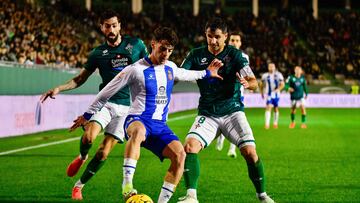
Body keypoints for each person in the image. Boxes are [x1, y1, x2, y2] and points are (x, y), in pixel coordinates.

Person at [69, 27, 224, 203]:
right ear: (153, 44)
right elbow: (106, 92)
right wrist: (88, 114)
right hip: (137, 120)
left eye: (170, 50)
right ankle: (127, 186)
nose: (166, 53)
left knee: (180, 155)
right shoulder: (135, 70)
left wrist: (207, 73)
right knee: (138, 132)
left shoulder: (171, 68)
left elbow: (188, 74)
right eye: (163, 48)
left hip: (160, 125)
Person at [40, 9, 148, 200]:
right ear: (101, 28)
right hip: (105, 103)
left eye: (114, 25)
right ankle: (82, 157)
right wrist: (59, 88)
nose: (111, 29)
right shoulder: (98, 54)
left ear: (120, 26)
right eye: (107, 26)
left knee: (103, 153)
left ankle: (78, 186)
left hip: (126, 109)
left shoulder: (136, 45)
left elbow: (150, 67)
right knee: (89, 137)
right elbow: (80, 78)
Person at [178, 18, 275, 203]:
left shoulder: (235, 55)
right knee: (189, 146)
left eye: (217, 37)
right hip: (207, 113)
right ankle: (191, 196)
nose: (213, 41)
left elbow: (253, 81)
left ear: (225, 37)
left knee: (250, 152)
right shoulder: (196, 55)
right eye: (209, 36)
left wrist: (249, 83)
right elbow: (180, 74)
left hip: (233, 112)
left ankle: (262, 195)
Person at [215, 32, 248, 158]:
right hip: (222, 93)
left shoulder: (244, 57)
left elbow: (245, 74)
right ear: (228, 42)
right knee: (223, 119)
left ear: (240, 43)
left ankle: (232, 149)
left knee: (236, 122)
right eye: (232, 40)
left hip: (237, 94)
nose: (234, 42)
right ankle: (221, 138)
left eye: (237, 40)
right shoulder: (220, 55)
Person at [259, 63, 285, 129]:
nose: (271, 68)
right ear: (268, 68)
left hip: (276, 94)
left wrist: (278, 89)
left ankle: (275, 123)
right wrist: (261, 92)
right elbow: (261, 85)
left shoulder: (279, 75)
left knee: (276, 108)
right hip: (269, 94)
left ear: (274, 67)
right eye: (270, 66)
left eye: (272, 66)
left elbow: (282, 84)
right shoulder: (265, 75)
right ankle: (267, 124)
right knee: (268, 107)